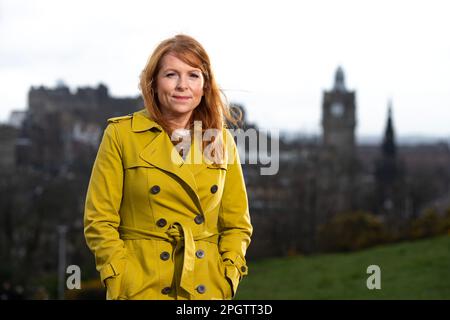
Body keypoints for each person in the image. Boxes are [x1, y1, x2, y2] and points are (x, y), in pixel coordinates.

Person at [84, 34, 253, 300]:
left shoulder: (221, 140)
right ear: (153, 82)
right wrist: (118, 275)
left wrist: (228, 275)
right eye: (171, 74)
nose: (182, 85)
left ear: (206, 85)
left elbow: (237, 224)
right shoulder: (121, 134)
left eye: (194, 75)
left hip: (205, 288)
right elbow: (99, 219)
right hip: (140, 286)